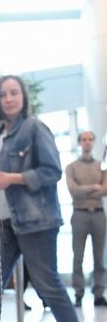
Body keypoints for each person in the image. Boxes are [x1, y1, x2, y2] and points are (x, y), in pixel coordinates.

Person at [0, 75, 86, 322]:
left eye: (14, 92)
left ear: (23, 96)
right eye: (3, 94)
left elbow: (52, 171)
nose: (9, 98)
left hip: (36, 219)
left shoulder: (34, 128)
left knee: (48, 284)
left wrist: (11, 179)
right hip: (5, 219)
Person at [65, 129, 106, 307]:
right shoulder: (72, 167)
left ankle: (99, 292)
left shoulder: (101, 165)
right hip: (79, 214)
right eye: (84, 139)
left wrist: (85, 189)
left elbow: (105, 190)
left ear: (94, 142)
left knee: (99, 256)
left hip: (98, 214)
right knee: (78, 255)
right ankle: (78, 292)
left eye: (90, 139)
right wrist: (94, 187)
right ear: (80, 142)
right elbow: (73, 190)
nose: (87, 142)